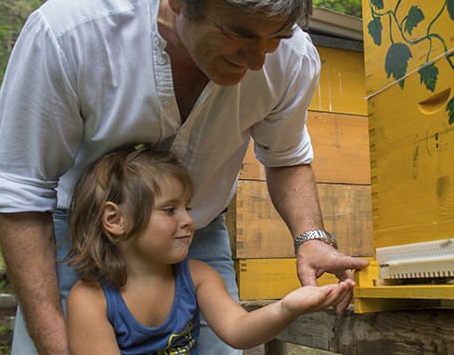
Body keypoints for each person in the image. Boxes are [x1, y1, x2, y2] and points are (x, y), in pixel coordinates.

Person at [0, 0, 370, 353]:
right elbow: (22, 192)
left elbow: (287, 156)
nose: (259, 60)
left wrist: (310, 237)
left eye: (276, 35)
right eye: (240, 33)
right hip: (77, 239)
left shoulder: (292, 58)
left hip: (198, 233)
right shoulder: (70, 31)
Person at [65, 145, 354, 354]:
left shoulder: (197, 276)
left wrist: (288, 307)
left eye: (186, 208)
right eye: (170, 210)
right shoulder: (90, 300)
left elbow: (239, 330)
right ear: (116, 220)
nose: (189, 220)